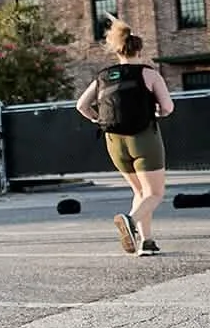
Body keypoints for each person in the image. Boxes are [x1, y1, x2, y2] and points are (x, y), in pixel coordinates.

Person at [75, 18, 174, 255]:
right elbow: (168, 107)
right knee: (155, 193)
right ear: (139, 49)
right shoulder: (149, 74)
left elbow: (81, 105)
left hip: (114, 141)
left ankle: (146, 242)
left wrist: (96, 118)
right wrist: (157, 111)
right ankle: (130, 221)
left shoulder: (104, 75)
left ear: (118, 50)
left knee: (140, 192)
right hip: (143, 137)